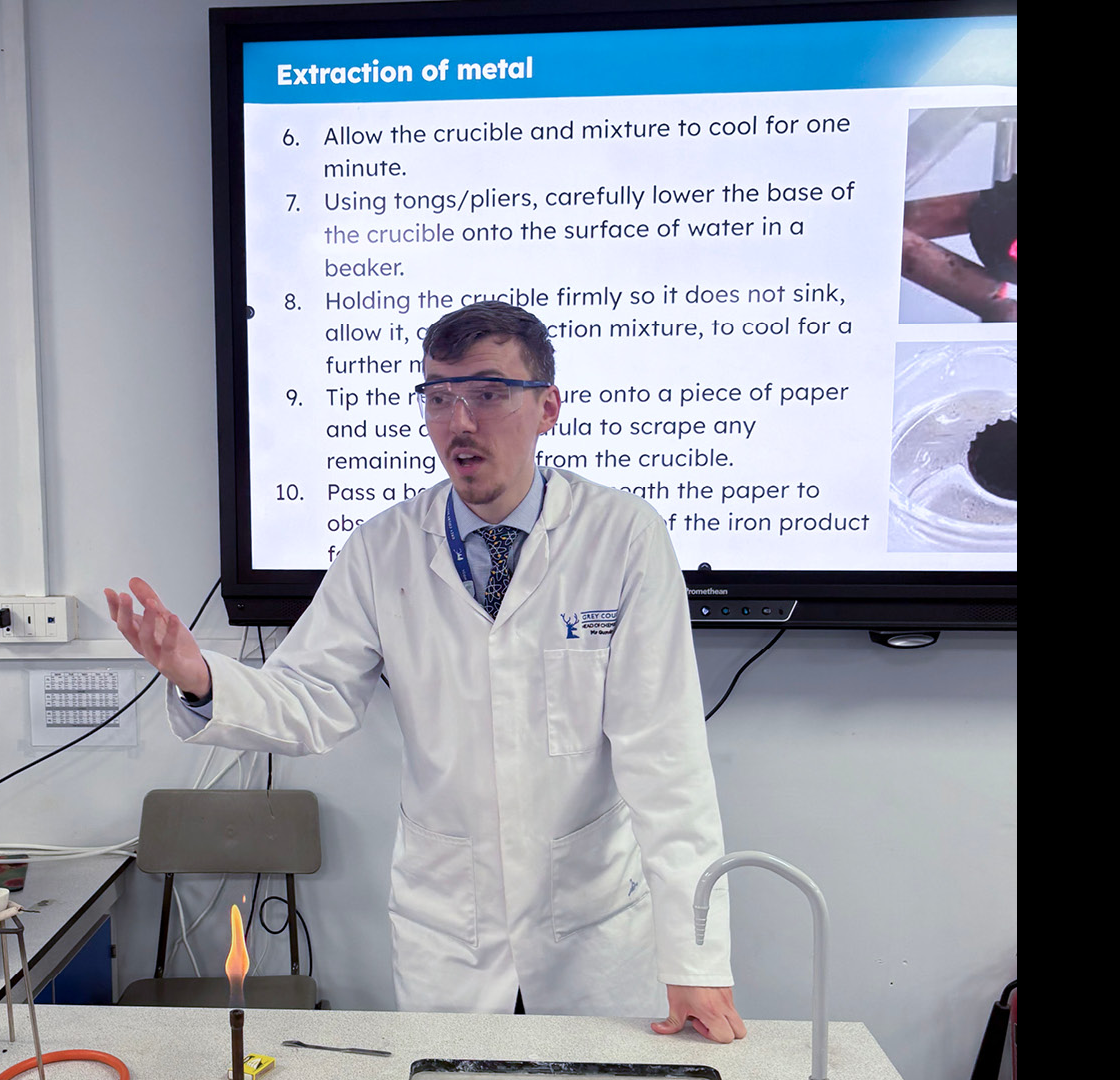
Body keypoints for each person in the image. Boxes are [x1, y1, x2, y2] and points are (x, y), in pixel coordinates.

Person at [106, 301, 744, 1042]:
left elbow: (666, 761)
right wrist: (200, 678)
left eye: (487, 393)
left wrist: (695, 957)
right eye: (439, 397)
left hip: (593, 923)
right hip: (451, 928)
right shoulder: (384, 548)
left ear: (548, 408)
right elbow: (312, 698)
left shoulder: (623, 538)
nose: (459, 421)